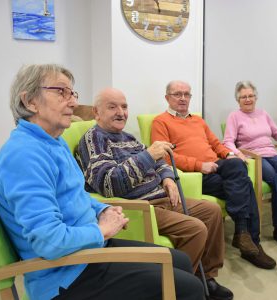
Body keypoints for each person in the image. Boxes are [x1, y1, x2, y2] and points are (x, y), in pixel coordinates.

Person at [0, 64, 203, 300]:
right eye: (61, 92)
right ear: (30, 101)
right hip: (67, 274)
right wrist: (101, 230)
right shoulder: (23, 156)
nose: (72, 102)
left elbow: (76, 196)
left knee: (179, 260)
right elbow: (49, 242)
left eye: (72, 93)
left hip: (88, 250)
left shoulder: (53, 142)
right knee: (190, 288)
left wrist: (104, 209)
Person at [77, 87, 233, 300]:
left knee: (212, 211)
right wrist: (148, 156)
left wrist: (167, 177)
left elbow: (159, 161)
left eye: (124, 106)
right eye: (112, 107)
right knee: (195, 229)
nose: (121, 112)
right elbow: (109, 184)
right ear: (97, 112)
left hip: (162, 196)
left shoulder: (128, 137)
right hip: (140, 208)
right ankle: (176, 286)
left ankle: (206, 276)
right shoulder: (94, 139)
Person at [151, 80, 276, 270]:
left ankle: (244, 236)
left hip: (217, 165)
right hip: (194, 174)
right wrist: (200, 165)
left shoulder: (198, 120)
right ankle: (250, 242)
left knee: (236, 164)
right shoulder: (161, 121)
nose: (183, 98)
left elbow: (216, 143)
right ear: (167, 97)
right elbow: (164, 156)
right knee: (246, 186)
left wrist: (230, 154)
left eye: (187, 94)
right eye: (178, 94)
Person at [223, 81, 277, 248]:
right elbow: (228, 141)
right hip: (254, 158)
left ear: (256, 97)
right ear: (238, 100)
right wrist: (237, 153)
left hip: (271, 154)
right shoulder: (234, 116)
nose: (248, 99)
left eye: (251, 96)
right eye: (243, 97)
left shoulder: (263, 114)